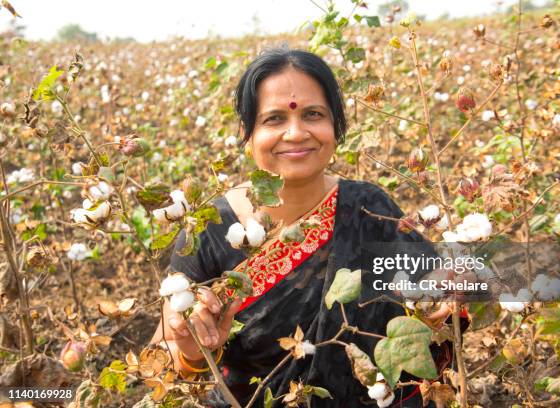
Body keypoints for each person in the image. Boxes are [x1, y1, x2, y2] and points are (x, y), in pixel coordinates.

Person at [150, 47, 467, 407]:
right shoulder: (209, 230)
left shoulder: (367, 208)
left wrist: (451, 298)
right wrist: (193, 351)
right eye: (273, 119)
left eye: (313, 114)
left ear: (336, 126)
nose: (296, 132)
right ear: (247, 133)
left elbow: (441, 291)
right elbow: (165, 361)